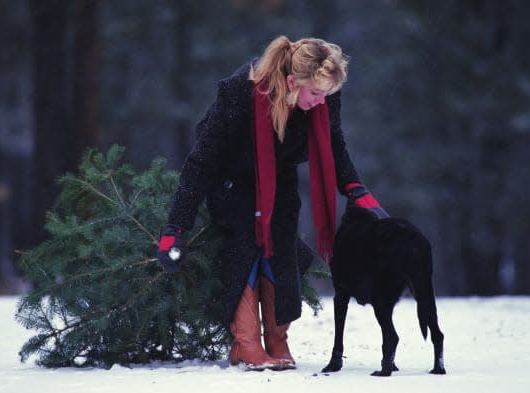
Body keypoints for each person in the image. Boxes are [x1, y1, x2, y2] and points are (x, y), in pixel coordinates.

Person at [156, 35, 388, 371]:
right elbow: (200, 163)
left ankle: (278, 339)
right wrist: (175, 228)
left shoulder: (321, 98)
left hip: (278, 181)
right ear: (293, 82)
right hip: (230, 181)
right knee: (248, 238)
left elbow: (334, 145)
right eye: (316, 94)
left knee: (280, 240)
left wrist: (355, 189)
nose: (322, 102)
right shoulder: (240, 93)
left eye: (327, 95)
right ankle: (245, 342)